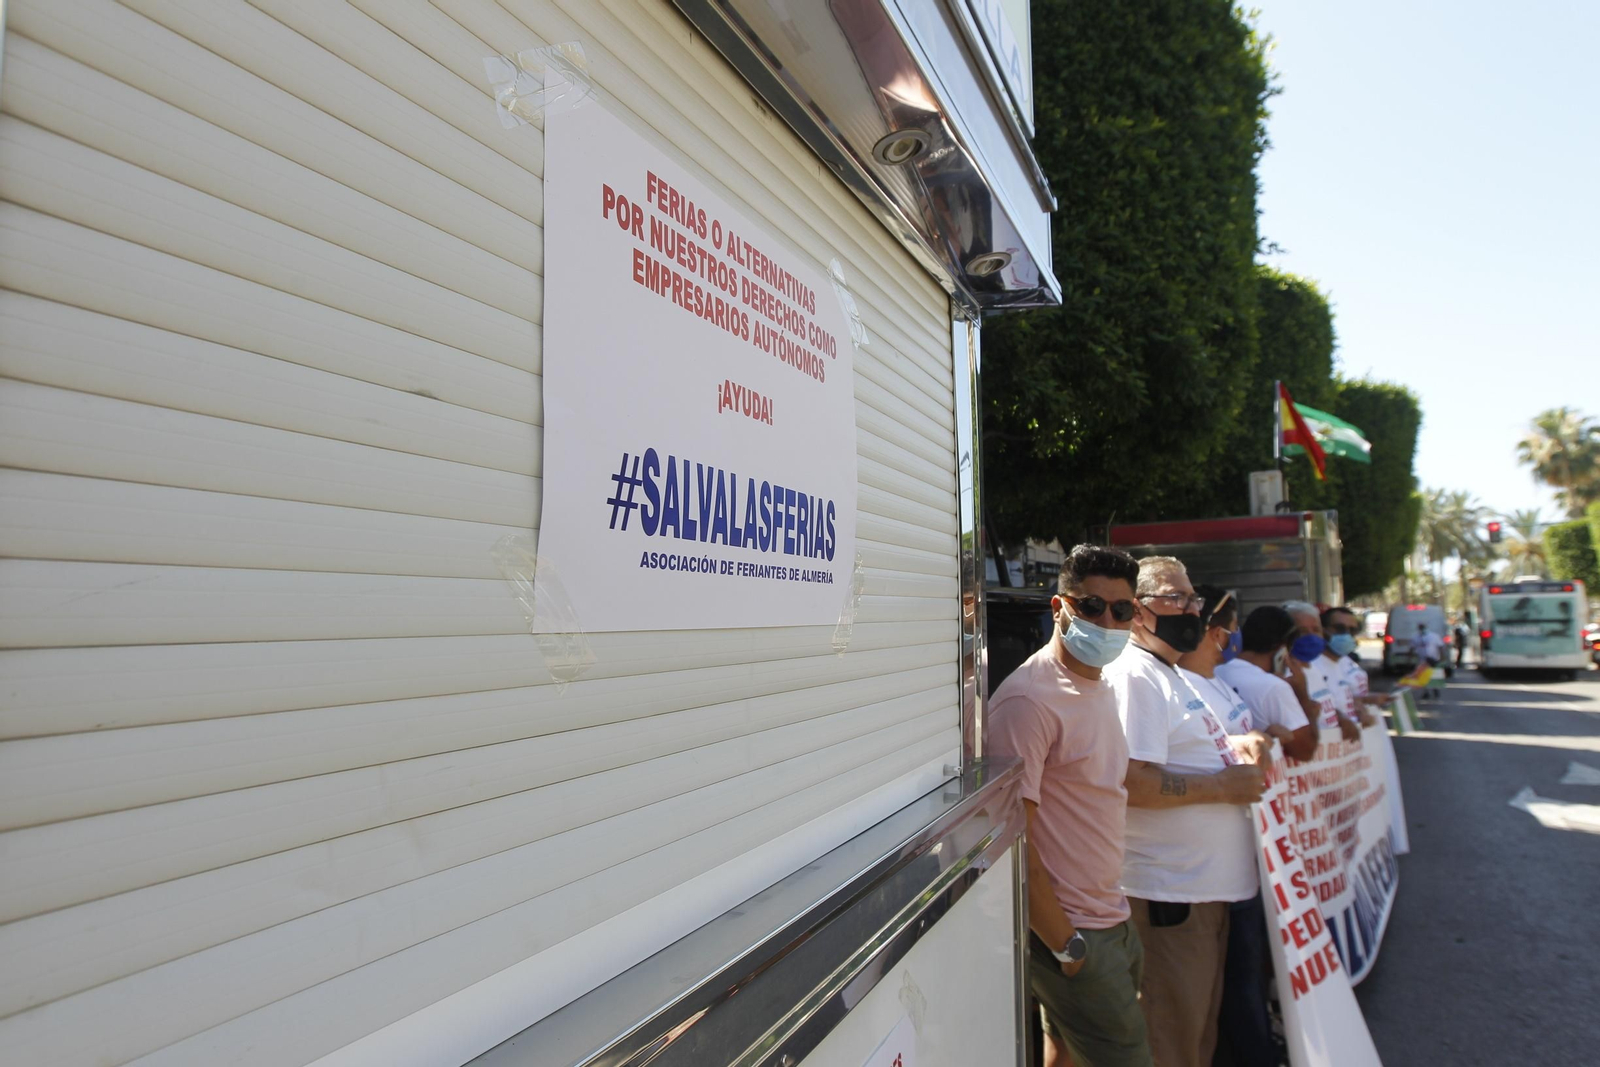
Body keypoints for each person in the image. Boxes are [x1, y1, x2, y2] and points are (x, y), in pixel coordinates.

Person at [988, 544, 1154, 1067]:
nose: (1108, 620)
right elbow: (1011, 840)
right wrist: (1068, 947)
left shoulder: (1096, 685)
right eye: (1091, 606)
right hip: (1075, 936)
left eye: (1122, 610)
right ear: (1059, 608)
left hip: (1111, 920)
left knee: (1064, 1056)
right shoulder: (1030, 701)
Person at [1103, 558, 1267, 1067]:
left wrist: (1247, 744)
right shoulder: (1136, 676)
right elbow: (1133, 780)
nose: (1192, 608)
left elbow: (1186, 749)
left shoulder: (1170, 671)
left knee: (1197, 1038)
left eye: (1193, 598)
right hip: (1171, 901)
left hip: (1204, 896)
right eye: (1177, 598)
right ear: (1137, 611)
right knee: (1173, 1041)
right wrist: (1222, 786)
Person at [1175, 588, 1280, 1067]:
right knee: (1209, 1000)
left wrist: (1252, 739)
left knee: (1234, 983)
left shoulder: (1211, 682)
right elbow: (1137, 778)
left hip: (1236, 867)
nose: (1230, 635)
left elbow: (1220, 743)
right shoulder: (1165, 683)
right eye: (1224, 625)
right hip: (1196, 879)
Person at [1215, 607, 1318, 763]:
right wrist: (1303, 696)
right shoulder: (1274, 687)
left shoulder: (1215, 671)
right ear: (1283, 650)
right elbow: (1305, 752)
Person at [1284, 601, 1362, 743]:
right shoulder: (1285, 676)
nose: (1311, 636)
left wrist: (1341, 717)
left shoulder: (1313, 668)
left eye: (1316, 630)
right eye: (1302, 631)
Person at [1323, 605, 1383, 727]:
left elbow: (1347, 700)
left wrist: (1362, 705)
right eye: (1340, 628)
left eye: (1353, 630)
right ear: (1323, 630)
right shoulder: (1311, 667)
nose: (1347, 634)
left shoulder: (1346, 662)